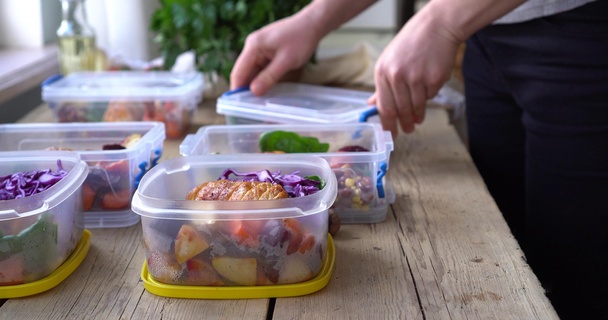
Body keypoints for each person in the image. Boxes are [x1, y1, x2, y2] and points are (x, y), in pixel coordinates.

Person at [230, 0, 608, 318]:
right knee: (516, 253)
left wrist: (442, 19)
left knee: (578, 274)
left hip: (583, 37)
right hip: (485, 33)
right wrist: (312, 20)